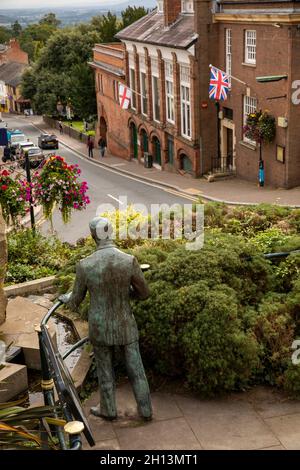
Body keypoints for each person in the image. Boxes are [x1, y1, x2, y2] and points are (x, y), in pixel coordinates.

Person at [59, 217, 152, 421]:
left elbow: (75, 300)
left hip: (100, 325)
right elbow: (144, 293)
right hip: (125, 322)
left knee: (105, 369)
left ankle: (108, 409)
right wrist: (125, 293)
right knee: (136, 369)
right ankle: (145, 409)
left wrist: (65, 297)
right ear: (110, 233)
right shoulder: (129, 261)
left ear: (93, 236)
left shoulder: (85, 265)